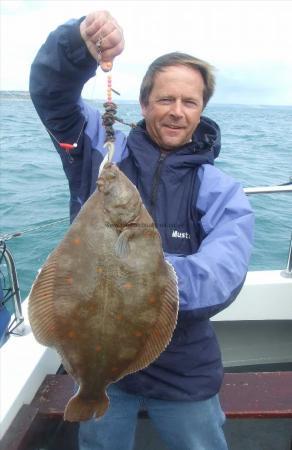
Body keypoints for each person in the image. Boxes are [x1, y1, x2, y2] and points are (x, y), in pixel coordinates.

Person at [29, 10, 254, 450]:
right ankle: (91, 389)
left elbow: (223, 273)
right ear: (145, 102)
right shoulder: (101, 151)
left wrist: (140, 281)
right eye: (165, 99)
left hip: (184, 366)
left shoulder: (222, 190)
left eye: (189, 102)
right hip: (97, 364)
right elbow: (52, 95)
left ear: (202, 109)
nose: (176, 112)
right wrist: (78, 45)